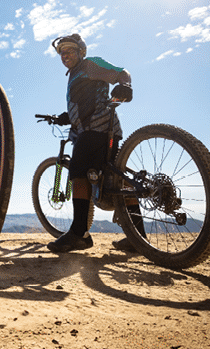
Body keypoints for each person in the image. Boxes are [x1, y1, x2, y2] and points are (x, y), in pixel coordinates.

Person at [44, 33, 139, 254]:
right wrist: (67, 117)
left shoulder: (89, 64)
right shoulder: (75, 74)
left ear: (81, 52)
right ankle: (138, 236)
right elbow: (85, 102)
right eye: (62, 52)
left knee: (78, 172)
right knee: (117, 180)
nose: (65, 55)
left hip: (97, 129)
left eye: (69, 50)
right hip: (100, 130)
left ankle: (79, 233)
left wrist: (125, 85)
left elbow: (121, 72)